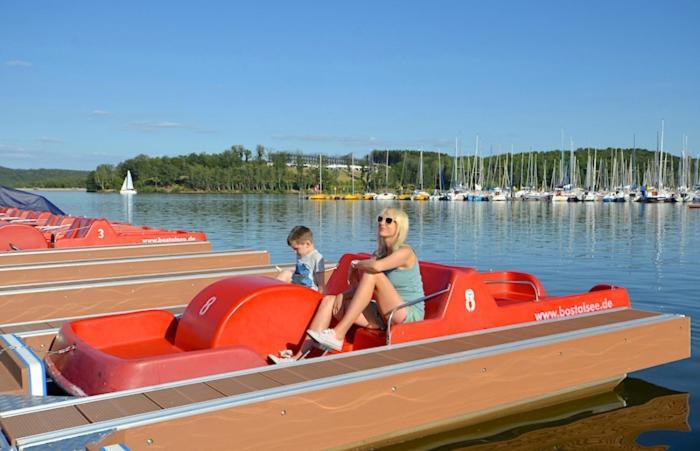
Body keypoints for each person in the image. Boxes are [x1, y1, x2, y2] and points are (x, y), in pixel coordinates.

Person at [304, 207, 424, 353]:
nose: (382, 223)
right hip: (383, 313)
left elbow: (375, 267)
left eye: (388, 220)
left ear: (399, 227)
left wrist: (356, 264)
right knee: (329, 300)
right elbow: (362, 292)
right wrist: (343, 294)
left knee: (372, 273)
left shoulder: (406, 252)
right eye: (380, 219)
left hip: (407, 313)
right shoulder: (379, 254)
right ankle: (299, 354)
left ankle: (338, 334)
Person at [275, 225, 325, 292]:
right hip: (298, 285)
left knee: (286, 274)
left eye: (296, 249)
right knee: (286, 273)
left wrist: (320, 299)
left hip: (309, 290)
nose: (294, 252)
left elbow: (321, 285)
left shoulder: (317, 257)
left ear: (307, 244)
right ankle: (271, 293)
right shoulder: (300, 254)